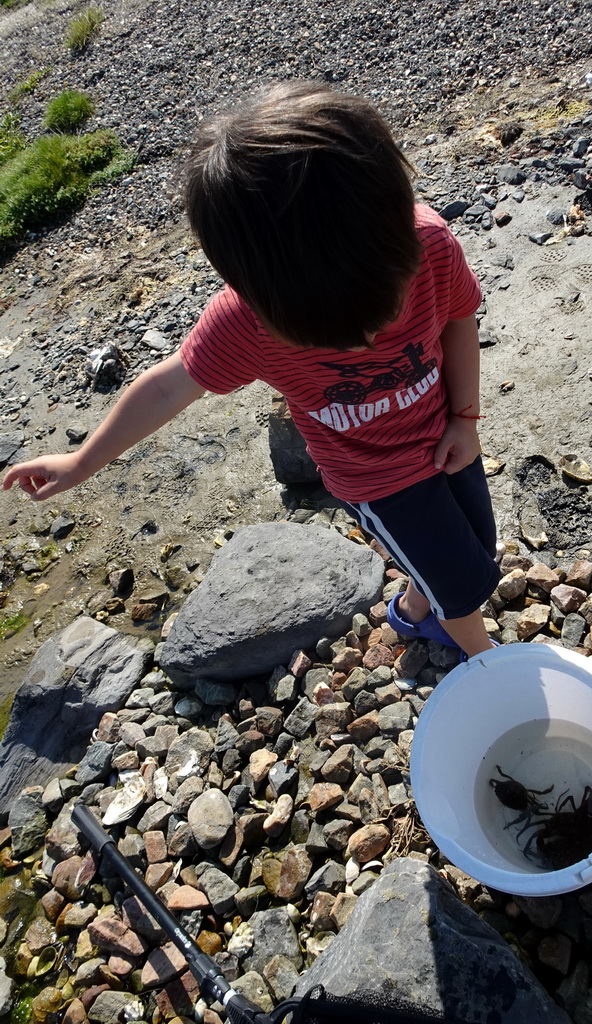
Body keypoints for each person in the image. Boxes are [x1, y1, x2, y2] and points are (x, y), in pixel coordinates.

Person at [2, 81, 500, 659]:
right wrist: (81, 460)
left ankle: (415, 609)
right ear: (260, 293)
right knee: (460, 584)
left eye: (383, 308)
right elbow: (167, 386)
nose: (368, 339)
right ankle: (482, 657)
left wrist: (465, 418)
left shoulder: (429, 244)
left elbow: (459, 319)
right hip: (376, 479)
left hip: (444, 433)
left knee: (476, 546)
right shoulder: (245, 320)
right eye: (337, 332)